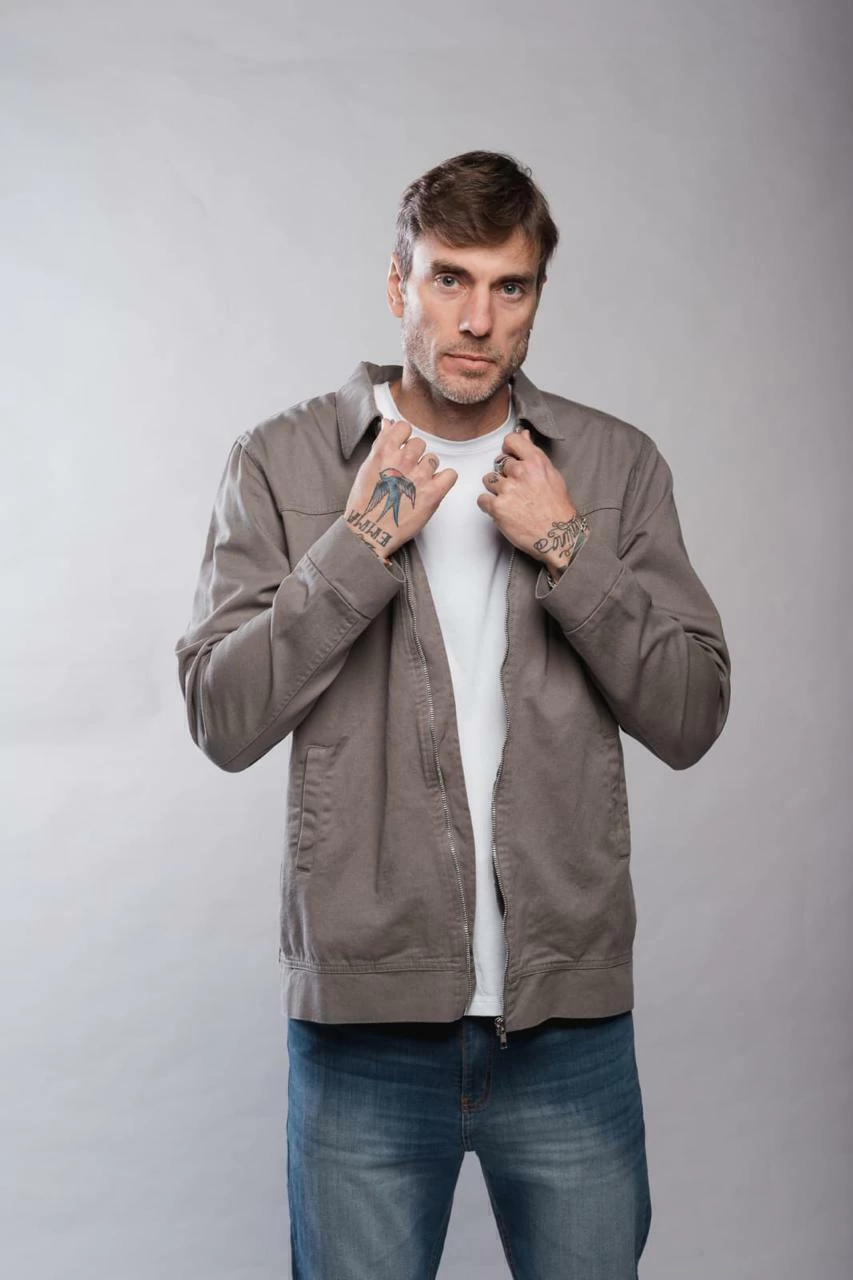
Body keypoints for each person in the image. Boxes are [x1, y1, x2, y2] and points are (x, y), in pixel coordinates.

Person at [174, 149, 731, 1279]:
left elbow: (691, 712)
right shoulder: (282, 462)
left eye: (508, 286)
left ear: (535, 299)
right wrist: (358, 544)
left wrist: (567, 545)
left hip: (566, 1025)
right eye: (448, 279)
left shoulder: (612, 466)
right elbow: (222, 718)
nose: (477, 319)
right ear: (398, 284)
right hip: (363, 1029)